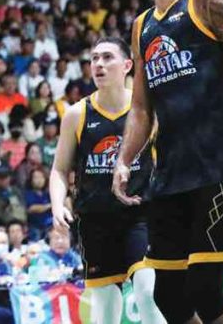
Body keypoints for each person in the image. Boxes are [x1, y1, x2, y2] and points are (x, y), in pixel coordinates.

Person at [115, 0, 223, 323]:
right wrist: (123, 159)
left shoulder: (207, 1)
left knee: (205, 288)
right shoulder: (142, 25)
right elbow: (141, 107)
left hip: (218, 166)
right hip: (168, 174)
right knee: (168, 297)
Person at [50, 37, 161, 324]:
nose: (99, 64)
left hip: (142, 214)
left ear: (127, 65)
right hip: (96, 219)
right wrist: (56, 204)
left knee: (148, 293)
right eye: (94, 58)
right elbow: (59, 170)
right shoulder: (76, 114)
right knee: (105, 311)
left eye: (107, 57)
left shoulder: (148, 110)